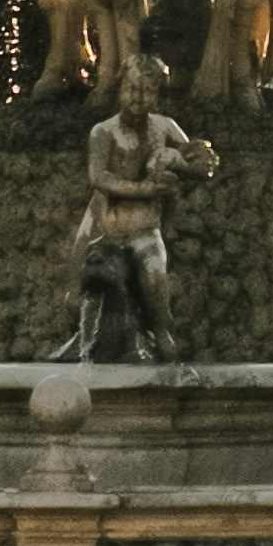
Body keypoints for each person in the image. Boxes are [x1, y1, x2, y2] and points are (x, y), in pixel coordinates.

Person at [64, 56, 219, 362]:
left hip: (145, 229)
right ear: (120, 88)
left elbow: (202, 165)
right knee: (76, 294)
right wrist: (144, 189)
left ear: (157, 96)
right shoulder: (103, 132)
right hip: (103, 228)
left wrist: (178, 157)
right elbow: (99, 177)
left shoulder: (165, 128)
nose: (137, 98)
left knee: (155, 280)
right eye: (131, 89)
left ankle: (164, 339)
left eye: (147, 91)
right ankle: (79, 348)